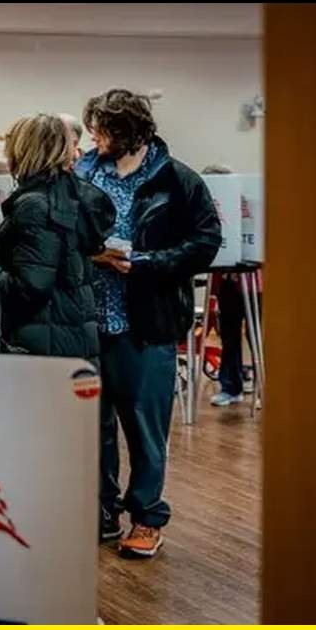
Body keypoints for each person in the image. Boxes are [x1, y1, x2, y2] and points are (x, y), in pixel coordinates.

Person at [75, 89, 222, 558]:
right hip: (87, 323)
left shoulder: (178, 180)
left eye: (101, 130)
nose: (93, 138)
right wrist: (90, 254)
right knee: (91, 428)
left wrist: (146, 262)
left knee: (145, 429)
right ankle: (102, 513)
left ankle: (146, 518)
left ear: (128, 131)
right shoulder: (82, 173)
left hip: (148, 324)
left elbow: (206, 243)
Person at [0, 114, 114, 359]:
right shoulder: (70, 195)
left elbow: (29, 290)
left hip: (41, 350)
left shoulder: (36, 205)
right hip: (70, 341)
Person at [200, 164, 255, 407]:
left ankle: (264, 387)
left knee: (257, 336)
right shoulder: (211, 208)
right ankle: (231, 387)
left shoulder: (246, 205)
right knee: (229, 334)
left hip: (253, 282)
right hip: (226, 282)